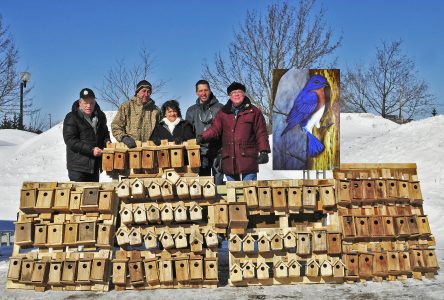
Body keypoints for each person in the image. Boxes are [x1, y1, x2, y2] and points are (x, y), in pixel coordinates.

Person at [198, 82, 270, 181]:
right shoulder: (223, 113)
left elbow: (261, 132)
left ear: (244, 94)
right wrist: (203, 136)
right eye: (233, 92)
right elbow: (215, 129)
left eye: (239, 92)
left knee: (249, 190)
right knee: (233, 192)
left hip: (248, 158)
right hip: (229, 159)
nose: (236, 94)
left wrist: (264, 151)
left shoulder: (254, 111)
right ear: (229, 96)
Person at [63, 88, 110, 182]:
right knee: (79, 195)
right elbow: (70, 140)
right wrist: (91, 150)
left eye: (91, 103)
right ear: (80, 103)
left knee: (93, 195)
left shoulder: (100, 116)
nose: (89, 106)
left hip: (94, 166)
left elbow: (104, 133)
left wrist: (107, 142)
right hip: (78, 167)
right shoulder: (72, 117)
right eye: (85, 103)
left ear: (95, 102)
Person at [185, 80, 224, 184]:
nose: (203, 93)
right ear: (197, 93)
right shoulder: (191, 111)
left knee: (218, 184)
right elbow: (188, 133)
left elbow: (226, 131)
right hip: (201, 152)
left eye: (206, 90)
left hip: (218, 152)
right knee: (205, 185)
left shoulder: (220, 108)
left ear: (210, 91)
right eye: (200, 91)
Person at [111, 80, 161, 147]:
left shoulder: (156, 110)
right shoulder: (126, 106)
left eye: (148, 92)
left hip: (149, 149)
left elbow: (161, 128)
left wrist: (157, 137)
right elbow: (116, 126)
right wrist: (124, 138)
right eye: (143, 91)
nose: (146, 94)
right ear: (137, 92)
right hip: (129, 148)